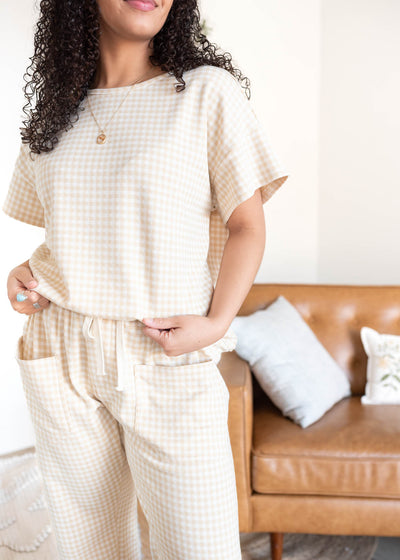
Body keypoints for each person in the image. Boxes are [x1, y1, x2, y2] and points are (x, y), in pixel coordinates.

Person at [3, 0, 289, 558]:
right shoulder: (55, 109)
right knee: (92, 548)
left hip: (165, 353)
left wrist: (215, 323)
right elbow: (65, 234)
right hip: (62, 352)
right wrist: (26, 274)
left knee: (198, 547)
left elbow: (247, 225)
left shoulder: (206, 93)